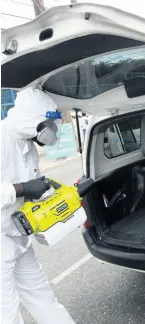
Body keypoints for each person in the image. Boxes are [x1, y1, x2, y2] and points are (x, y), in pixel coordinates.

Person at [1, 88, 76, 323]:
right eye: (47, 122)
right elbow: (19, 188)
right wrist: (21, 189)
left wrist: (47, 196)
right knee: (7, 312)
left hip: (18, 237)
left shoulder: (30, 147)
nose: (51, 131)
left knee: (43, 298)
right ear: (32, 117)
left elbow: (30, 190)